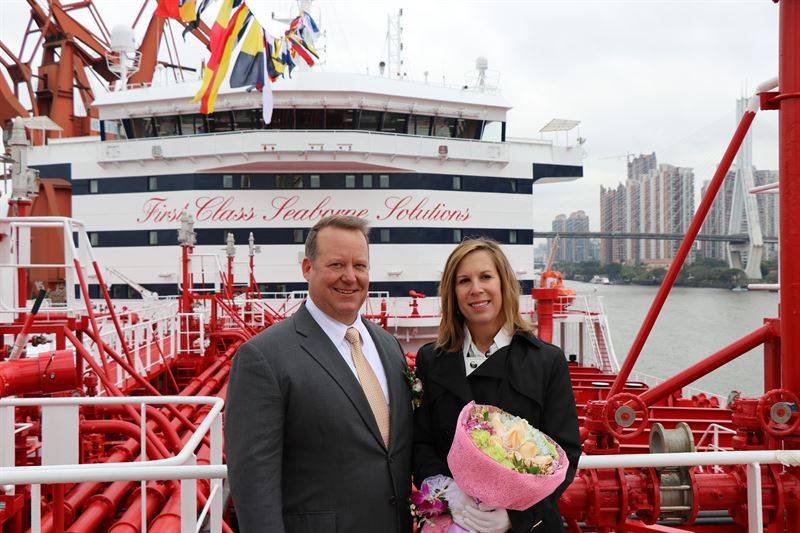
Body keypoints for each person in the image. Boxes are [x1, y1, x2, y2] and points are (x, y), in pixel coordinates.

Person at [225, 215, 413, 533]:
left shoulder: (388, 346)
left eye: (360, 266)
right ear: (308, 268)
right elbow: (254, 486)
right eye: (337, 265)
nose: (350, 277)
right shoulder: (263, 357)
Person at [413, 238, 581, 532]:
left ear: (504, 284)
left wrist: (515, 517)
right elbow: (421, 442)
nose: (476, 289)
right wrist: (448, 494)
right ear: (453, 293)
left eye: (486, 277)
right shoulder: (431, 359)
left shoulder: (546, 361)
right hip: (453, 520)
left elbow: (565, 452)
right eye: (464, 280)